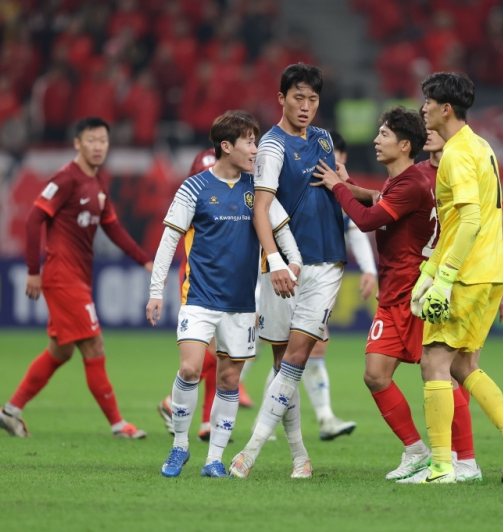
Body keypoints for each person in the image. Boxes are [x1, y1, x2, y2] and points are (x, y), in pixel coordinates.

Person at [312, 106, 481, 482]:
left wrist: (338, 186)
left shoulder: (411, 183)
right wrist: (351, 185)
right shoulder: (407, 179)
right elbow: (378, 198)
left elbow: (368, 219)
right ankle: (416, 450)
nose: (376, 139)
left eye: (384, 134)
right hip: (394, 293)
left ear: (405, 145)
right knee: (375, 373)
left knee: (441, 376)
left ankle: (466, 460)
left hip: (415, 293)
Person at [146, 111, 302, 478]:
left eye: (256, 140)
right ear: (226, 146)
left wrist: (292, 262)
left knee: (230, 380)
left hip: (241, 305)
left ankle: (214, 458)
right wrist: (156, 292)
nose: (255, 148)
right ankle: (179, 446)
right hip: (198, 297)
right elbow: (169, 240)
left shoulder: (258, 191)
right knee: (189, 368)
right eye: (249, 141)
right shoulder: (194, 188)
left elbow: (282, 228)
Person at [410, 72, 503, 484]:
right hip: (489, 274)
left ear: (445, 108)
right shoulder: (482, 147)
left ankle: (442, 467)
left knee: (434, 362)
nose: (422, 108)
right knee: (465, 365)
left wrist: (443, 278)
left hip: (465, 276)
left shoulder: (457, 154)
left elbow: (470, 219)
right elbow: (473, 219)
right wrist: (428, 271)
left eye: (427, 101)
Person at [0, 117, 152, 439]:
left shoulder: (97, 184)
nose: (98, 147)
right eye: (91, 140)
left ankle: (11, 411)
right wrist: (33, 272)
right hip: (61, 276)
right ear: (77, 143)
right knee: (94, 344)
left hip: (78, 277)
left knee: (60, 351)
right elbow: (33, 219)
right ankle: (119, 425)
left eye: (103, 141)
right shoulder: (65, 179)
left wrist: (145, 260)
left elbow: (114, 229)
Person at [229, 63, 347, 479]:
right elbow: (261, 209)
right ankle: (300, 457)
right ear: (281, 99)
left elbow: (338, 187)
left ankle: (249, 452)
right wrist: (275, 261)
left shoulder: (324, 139)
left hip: (325, 262)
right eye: (298, 97)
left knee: (296, 356)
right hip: (281, 267)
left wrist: (348, 186)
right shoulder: (272, 147)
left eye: (313, 99)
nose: (306, 106)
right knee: (283, 366)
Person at [300, 130, 374, 441]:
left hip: (313, 277)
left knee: (305, 350)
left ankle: (325, 417)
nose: (338, 167)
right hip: (278, 274)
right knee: (245, 356)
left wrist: (369, 269)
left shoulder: (337, 188)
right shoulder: (302, 180)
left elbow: (354, 227)